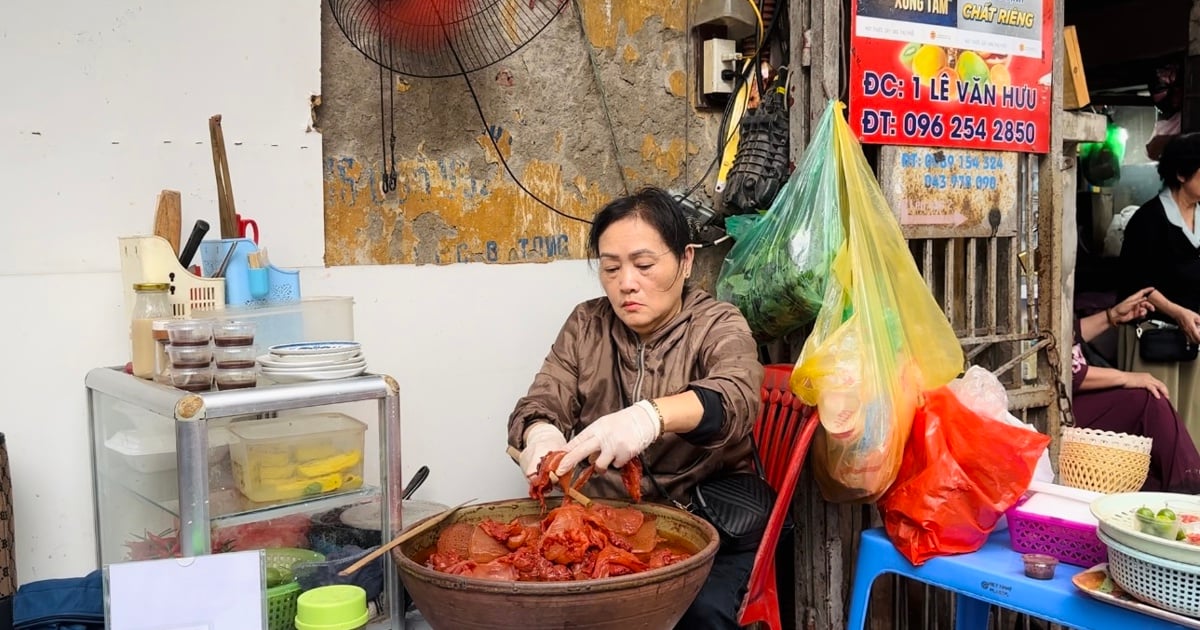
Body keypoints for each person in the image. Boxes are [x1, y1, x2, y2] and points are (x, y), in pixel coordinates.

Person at [507, 187, 764, 629]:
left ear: (685, 261)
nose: (626, 282)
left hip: (698, 520)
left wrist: (651, 416)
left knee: (698, 614)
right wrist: (539, 435)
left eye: (644, 265)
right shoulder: (587, 325)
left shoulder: (717, 323)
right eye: (611, 268)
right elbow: (542, 399)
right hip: (603, 516)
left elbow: (736, 396)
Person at [1075, 289, 1200, 493]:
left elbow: (1067, 336)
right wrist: (1128, 378)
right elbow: (1069, 372)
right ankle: (1190, 489)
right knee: (1147, 401)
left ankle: (1183, 495)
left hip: (1068, 397)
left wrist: (1111, 316)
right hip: (1054, 408)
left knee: (1153, 472)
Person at [1119, 132, 1200, 442]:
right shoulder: (1148, 220)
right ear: (1181, 174)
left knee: (1190, 427)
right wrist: (1177, 312)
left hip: (1192, 338)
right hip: (1155, 339)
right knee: (1158, 430)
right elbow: (1137, 282)